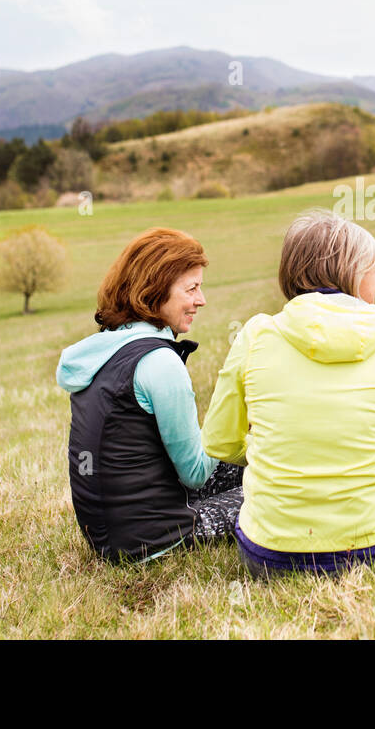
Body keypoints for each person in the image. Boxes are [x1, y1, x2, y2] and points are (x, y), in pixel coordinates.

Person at [202, 210, 375, 576]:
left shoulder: (254, 337)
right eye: (374, 271)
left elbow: (218, 443)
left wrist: (274, 448)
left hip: (269, 557)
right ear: (357, 275)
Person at [57, 227, 243, 564]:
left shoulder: (107, 348)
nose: (201, 300)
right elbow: (196, 474)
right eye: (192, 288)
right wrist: (233, 423)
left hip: (106, 533)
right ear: (155, 291)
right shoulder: (159, 363)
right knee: (278, 490)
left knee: (250, 467)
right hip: (151, 537)